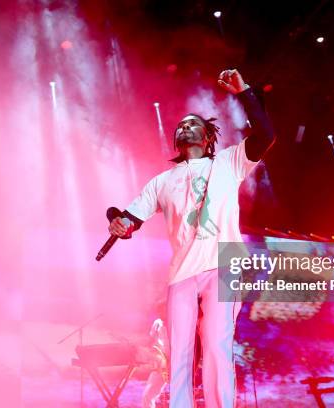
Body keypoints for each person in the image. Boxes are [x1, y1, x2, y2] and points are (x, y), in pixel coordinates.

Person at [108, 69, 275, 407]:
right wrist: (118, 221)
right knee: (178, 350)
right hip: (182, 273)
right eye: (180, 125)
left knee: (216, 344)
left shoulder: (230, 161)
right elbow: (131, 217)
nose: (185, 127)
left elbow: (267, 135)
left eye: (192, 123)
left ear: (208, 136)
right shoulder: (162, 181)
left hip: (223, 265)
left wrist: (244, 92)